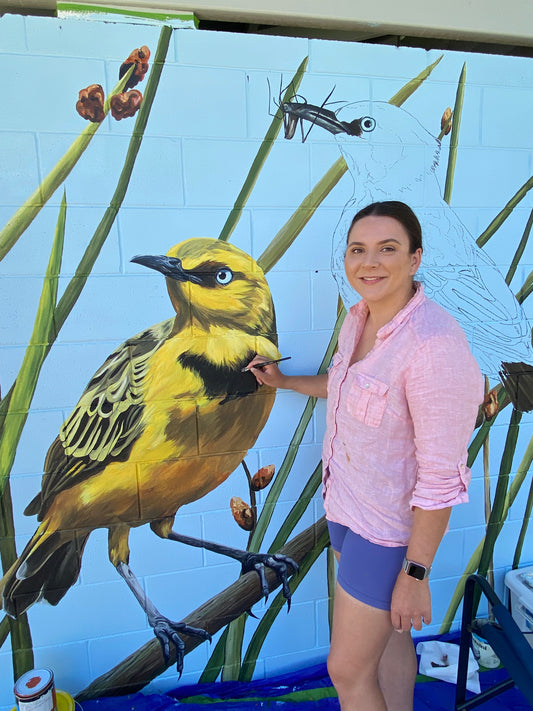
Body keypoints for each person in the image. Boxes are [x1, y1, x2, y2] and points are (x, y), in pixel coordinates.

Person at [247, 201, 484, 711]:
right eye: (359, 249)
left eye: (388, 249)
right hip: (348, 511)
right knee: (390, 641)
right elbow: (349, 386)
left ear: (416, 259)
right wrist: (286, 381)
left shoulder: (434, 347)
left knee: (346, 671)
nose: (369, 262)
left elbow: (442, 479)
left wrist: (415, 576)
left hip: (389, 534)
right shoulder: (360, 319)